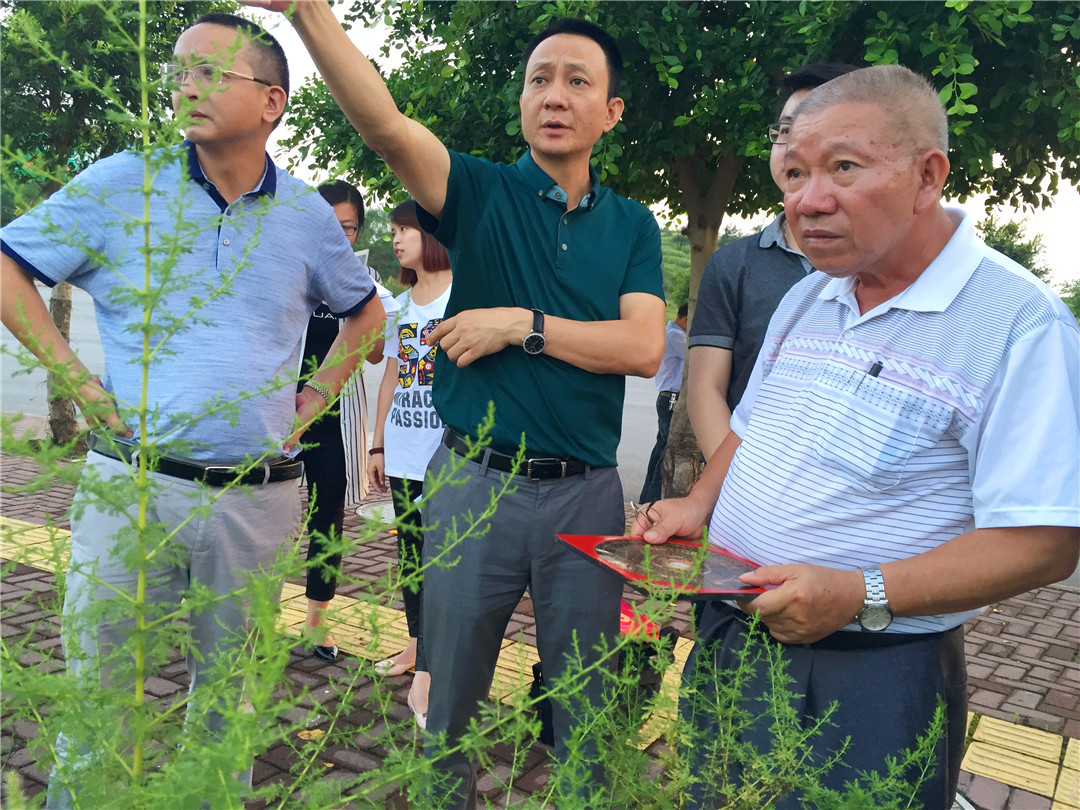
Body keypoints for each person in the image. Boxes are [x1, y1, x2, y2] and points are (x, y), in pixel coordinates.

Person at [632, 64, 1079, 809]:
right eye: (796, 172)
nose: (807, 200)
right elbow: (750, 430)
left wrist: (859, 593)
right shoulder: (811, 295)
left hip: (870, 667)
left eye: (843, 167)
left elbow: (1045, 541)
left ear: (928, 175)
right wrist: (697, 504)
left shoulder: (1020, 326)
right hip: (731, 633)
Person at [258, 4, 665, 805]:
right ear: (522, 100)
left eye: (577, 81)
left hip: (586, 494)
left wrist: (521, 326)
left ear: (611, 111)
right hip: (476, 483)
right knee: (447, 705)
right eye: (539, 80)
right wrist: (308, 13)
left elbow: (643, 347)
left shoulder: (632, 226)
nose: (554, 95)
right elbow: (386, 127)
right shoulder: (481, 191)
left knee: (584, 710)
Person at [0, 13, 384, 806]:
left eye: (212, 71)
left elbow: (367, 314)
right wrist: (77, 380)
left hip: (255, 498)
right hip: (132, 488)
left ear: (272, 101)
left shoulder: (307, 216)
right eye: (179, 70)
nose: (185, 86)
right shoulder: (120, 184)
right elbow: (9, 265)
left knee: (227, 709)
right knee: (100, 704)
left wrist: (315, 397)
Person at [687, 64, 856, 460]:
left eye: (821, 129)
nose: (797, 144)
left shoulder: (885, 268)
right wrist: (737, 482)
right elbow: (706, 388)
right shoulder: (732, 266)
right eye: (786, 130)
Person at [300, 179, 399, 662]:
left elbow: (376, 354)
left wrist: (365, 305)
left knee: (328, 514)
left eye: (350, 228)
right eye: (331, 225)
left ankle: (315, 621)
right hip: (276, 407)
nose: (342, 237)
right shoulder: (289, 265)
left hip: (333, 411)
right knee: (261, 509)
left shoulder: (366, 279)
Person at [367, 199, 453, 730]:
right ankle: (418, 648)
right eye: (395, 230)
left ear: (433, 236)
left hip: (451, 456)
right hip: (402, 450)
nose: (396, 240)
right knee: (412, 558)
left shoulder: (463, 298)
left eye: (406, 230)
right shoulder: (398, 307)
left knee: (449, 561)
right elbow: (391, 378)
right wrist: (377, 445)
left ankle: (436, 667)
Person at [638, 300, 687, 503]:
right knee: (667, 450)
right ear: (686, 319)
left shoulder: (670, 333)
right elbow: (695, 356)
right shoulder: (676, 336)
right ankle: (653, 498)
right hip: (672, 399)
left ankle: (647, 498)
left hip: (668, 398)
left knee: (661, 447)